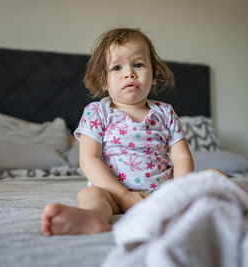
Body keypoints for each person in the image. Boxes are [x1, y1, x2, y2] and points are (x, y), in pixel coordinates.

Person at [41, 27, 195, 236]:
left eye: (138, 65)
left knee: (213, 179)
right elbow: (89, 161)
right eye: (116, 68)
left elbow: (182, 157)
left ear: (154, 74)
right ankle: (91, 218)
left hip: (161, 193)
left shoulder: (165, 112)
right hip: (112, 193)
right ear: (103, 80)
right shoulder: (97, 112)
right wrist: (123, 196)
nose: (129, 73)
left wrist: (180, 193)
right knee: (91, 194)